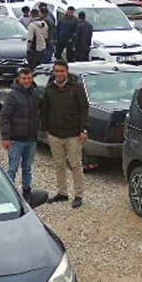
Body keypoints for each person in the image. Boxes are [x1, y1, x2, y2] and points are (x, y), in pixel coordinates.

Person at [40, 59, 89, 208]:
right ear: (53, 72)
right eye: (57, 71)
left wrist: (84, 129)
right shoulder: (49, 88)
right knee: (58, 164)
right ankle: (62, 192)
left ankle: (79, 195)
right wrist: (45, 130)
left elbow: (84, 109)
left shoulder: (77, 88)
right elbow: (44, 110)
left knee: (75, 165)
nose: (59, 74)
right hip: (55, 134)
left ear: (67, 71)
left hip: (73, 135)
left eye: (62, 71)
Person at [0, 68, 41, 197]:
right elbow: (4, 117)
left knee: (27, 168)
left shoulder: (34, 93)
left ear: (32, 78)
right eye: (24, 78)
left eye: (29, 78)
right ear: (19, 79)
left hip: (31, 139)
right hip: (16, 140)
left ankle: (26, 190)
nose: (27, 81)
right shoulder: (12, 95)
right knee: (12, 168)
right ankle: (8, 193)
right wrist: (5, 137)